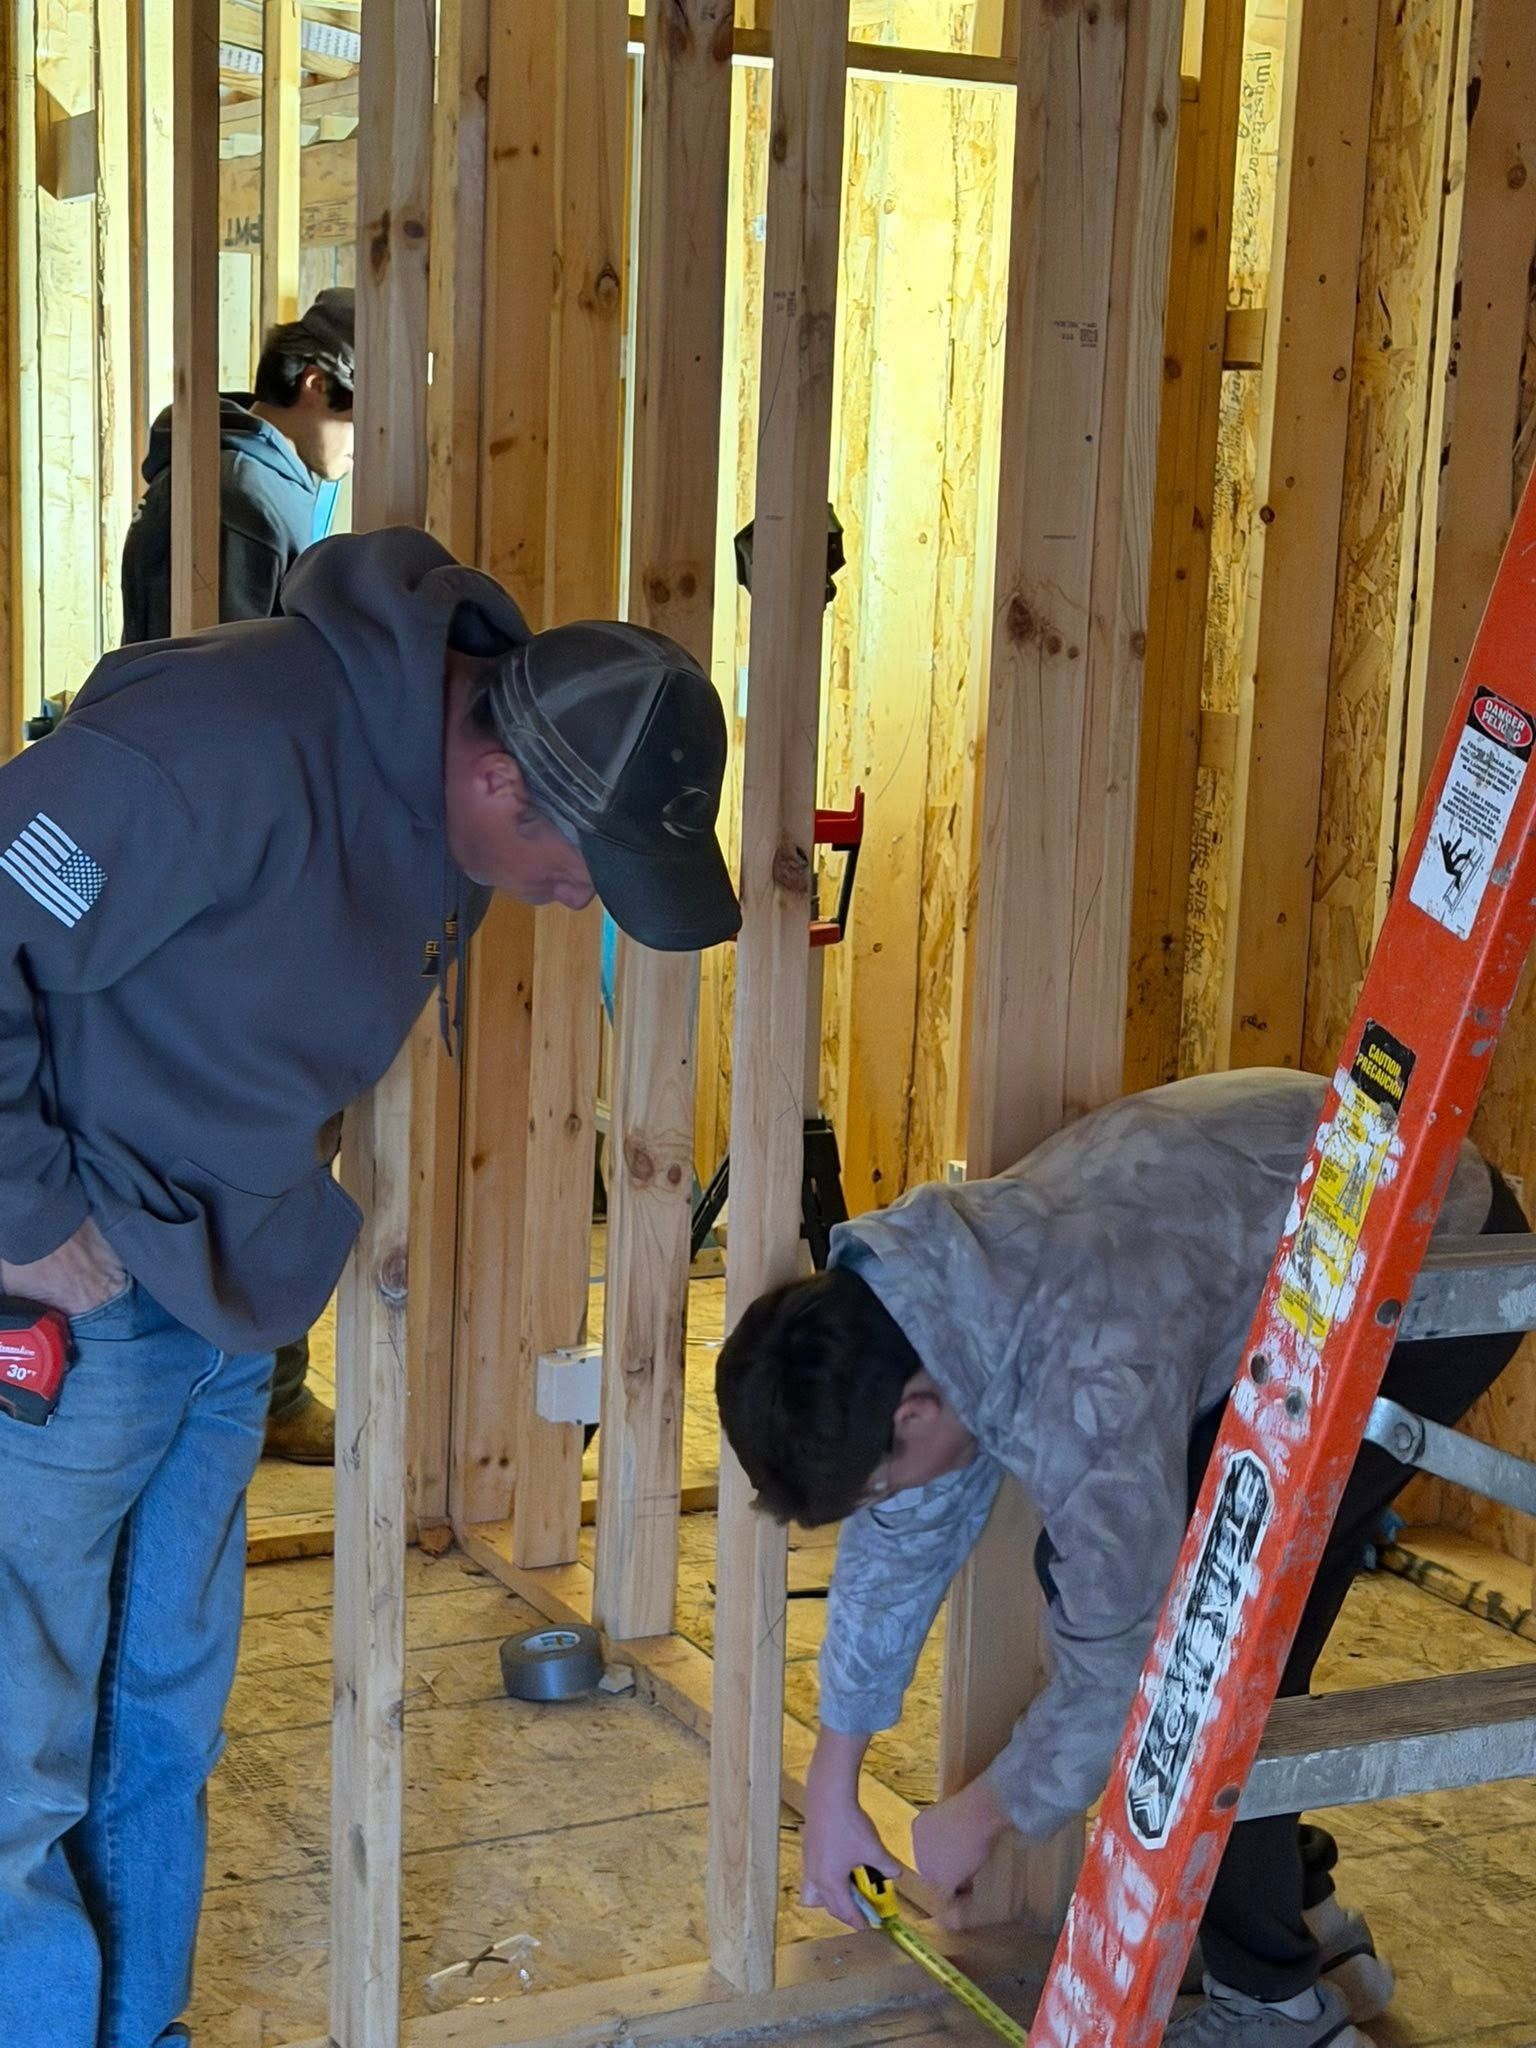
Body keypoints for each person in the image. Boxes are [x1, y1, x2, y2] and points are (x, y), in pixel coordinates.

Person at [0, 524, 740, 2048]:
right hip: (80, 1297)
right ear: (495, 781)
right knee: (15, 1755)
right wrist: (21, 1213)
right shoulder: (218, 745)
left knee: (158, 1731)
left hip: (221, 1311)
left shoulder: (454, 768)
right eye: (579, 868)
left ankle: (130, 2031)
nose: (577, 904)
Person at [716, 1069, 1525, 2048]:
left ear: (912, 1413)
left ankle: (1278, 2007)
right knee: (1233, 1639)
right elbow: (903, 1530)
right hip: (1313, 1234)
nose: (885, 1506)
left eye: (878, 1481)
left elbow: (1125, 1655)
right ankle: (1296, 1928)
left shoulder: (1087, 1368)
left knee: (1205, 1648)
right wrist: (835, 1779)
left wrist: (990, 1808)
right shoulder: (913, 1298)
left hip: (1436, 1265)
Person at [119, 285, 358, 1461]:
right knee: (258, 1116)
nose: (354, 455)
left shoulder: (229, 486)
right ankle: (249, 1387)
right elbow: (222, 704)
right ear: (314, 384)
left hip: (203, 862)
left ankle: (234, 1376)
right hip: (232, 869)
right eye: (353, 420)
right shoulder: (244, 498)